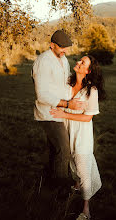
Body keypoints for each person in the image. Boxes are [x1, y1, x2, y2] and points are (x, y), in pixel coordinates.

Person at [50, 55, 106, 220]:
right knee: (71, 162)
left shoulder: (92, 91)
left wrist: (64, 113)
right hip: (66, 131)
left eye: (83, 63)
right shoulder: (67, 82)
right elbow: (56, 100)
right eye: (79, 60)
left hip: (82, 135)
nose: (78, 63)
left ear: (88, 71)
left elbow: (87, 118)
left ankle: (86, 210)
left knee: (83, 169)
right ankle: (76, 186)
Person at [31, 30, 86, 181]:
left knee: (54, 150)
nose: (65, 50)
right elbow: (41, 95)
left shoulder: (64, 60)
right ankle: (60, 188)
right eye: (62, 47)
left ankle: (48, 182)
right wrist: (68, 104)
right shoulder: (43, 62)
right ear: (52, 45)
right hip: (48, 113)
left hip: (60, 112)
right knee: (64, 150)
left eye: (67, 47)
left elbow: (65, 83)